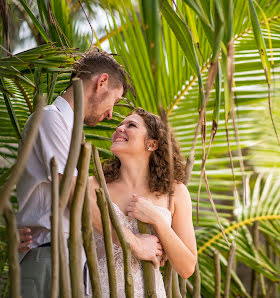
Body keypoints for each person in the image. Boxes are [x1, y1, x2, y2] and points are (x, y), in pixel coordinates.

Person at [16, 48, 162, 297]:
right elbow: (77, 197)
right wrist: (136, 244)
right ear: (102, 82)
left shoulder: (66, 130)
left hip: (68, 263)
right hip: (50, 260)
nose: (111, 115)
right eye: (114, 102)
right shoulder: (51, 120)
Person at [89, 108, 197, 297]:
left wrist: (156, 219)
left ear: (152, 144)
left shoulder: (175, 193)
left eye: (131, 125)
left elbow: (187, 268)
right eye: (119, 125)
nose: (119, 129)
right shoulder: (93, 185)